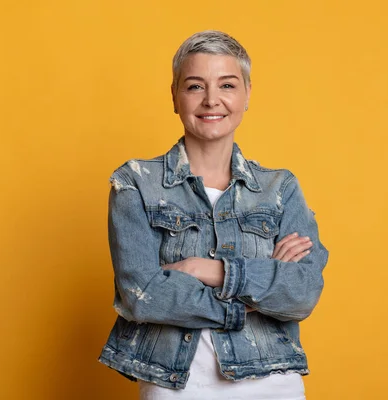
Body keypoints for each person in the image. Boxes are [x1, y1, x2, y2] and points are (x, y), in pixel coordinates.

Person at [98, 30, 329, 400]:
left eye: (227, 84)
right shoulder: (136, 183)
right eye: (194, 86)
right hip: (177, 387)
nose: (211, 100)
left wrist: (208, 270)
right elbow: (142, 295)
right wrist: (261, 287)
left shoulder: (280, 188)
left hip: (274, 384)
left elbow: (301, 294)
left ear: (247, 94)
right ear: (174, 96)